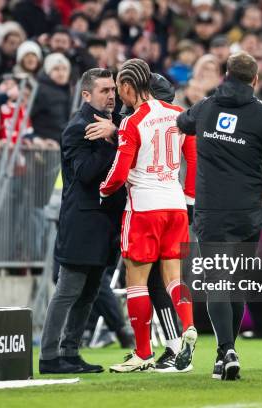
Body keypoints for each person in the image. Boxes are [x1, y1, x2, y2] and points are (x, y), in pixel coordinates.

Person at [177, 51, 262, 380]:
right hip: (249, 212)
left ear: (225, 76)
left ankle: (225, 351)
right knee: (235, 283)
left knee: (217, 282)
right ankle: (228, 352)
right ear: (256, 80)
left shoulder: (205, 108)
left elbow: (181, 122)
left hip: (212, 211)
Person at [85, 72, 197, 373]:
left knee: (136, 283)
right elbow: (194, 160)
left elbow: (119, 174)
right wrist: (188, 199)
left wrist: (103, 190)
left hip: (144, 207)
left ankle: (143, 352)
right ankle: (188, 326)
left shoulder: (132, 122)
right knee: (174, 278)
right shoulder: (180, 115)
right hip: (175, 205)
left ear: (127, 87)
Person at [39, 68, 121, 375]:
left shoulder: (113, 124)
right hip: (82, 221)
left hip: (104, 222)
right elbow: (86, 173)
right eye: (104, 90)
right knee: (68, 289)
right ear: (86, 94)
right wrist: (113, 144)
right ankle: (49, 357)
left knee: (89, 292)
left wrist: (115, 133)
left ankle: (70, 352)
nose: (111, 95)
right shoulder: (78, 127)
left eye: (112, 89)